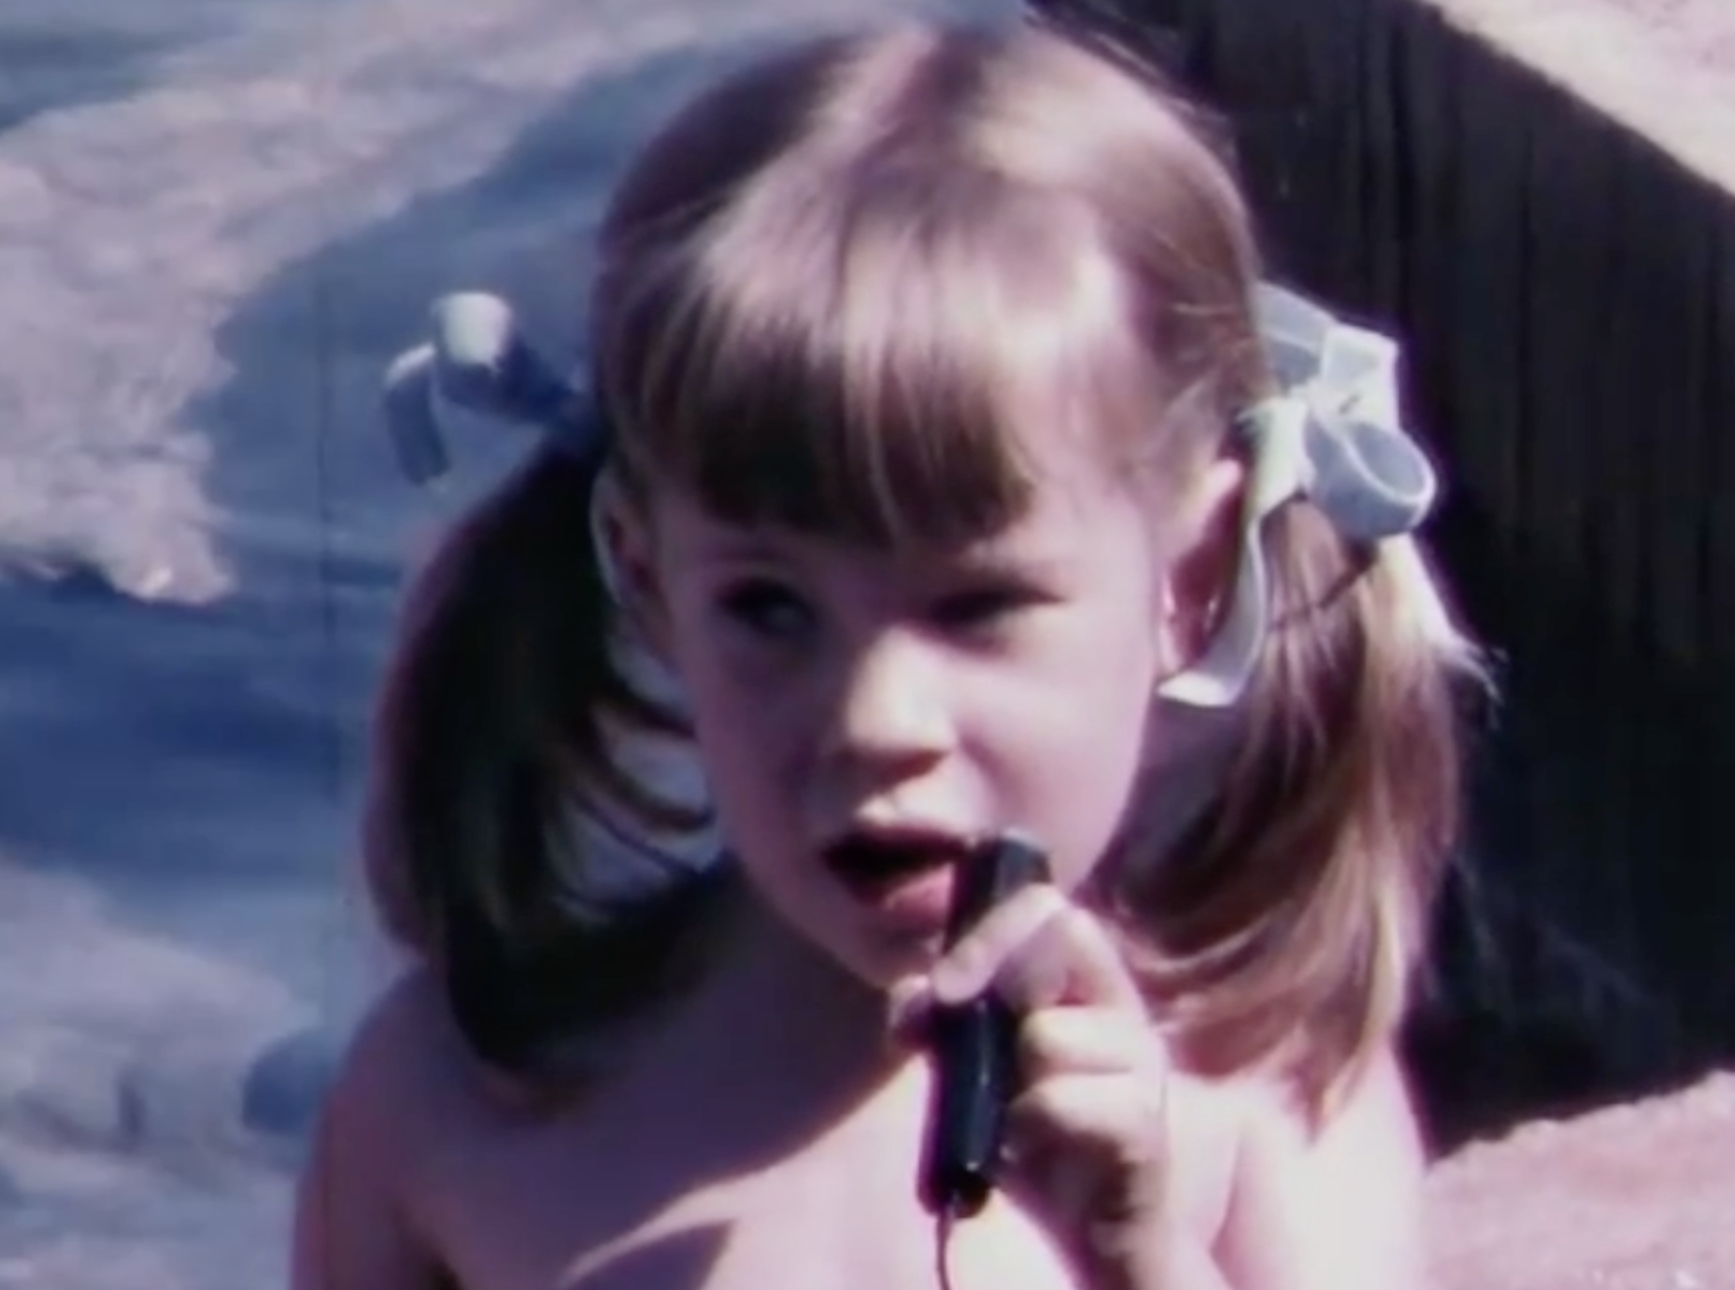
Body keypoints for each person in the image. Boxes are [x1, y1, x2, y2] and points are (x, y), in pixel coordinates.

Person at [292, 16, 1483, 1290]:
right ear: (645, 581)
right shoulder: (465, 1108)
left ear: (1186, 582)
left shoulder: (1257, 1104)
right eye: (767, 606)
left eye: (974, 608)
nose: (875, 715)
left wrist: (1144, 1256)